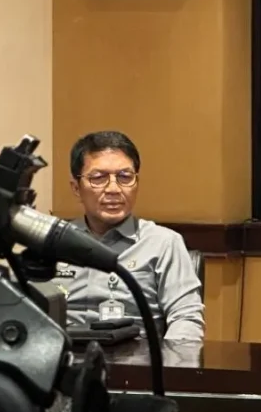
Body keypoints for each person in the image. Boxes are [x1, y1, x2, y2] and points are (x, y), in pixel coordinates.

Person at [44, 130, 204, 341]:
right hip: (63, 355)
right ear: (76, 188)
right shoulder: (53, 241)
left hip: (137, 357)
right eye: (98, 178)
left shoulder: (163, 243)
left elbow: (186, 318)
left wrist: (169, 359)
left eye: (125, 177)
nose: (113, 189)